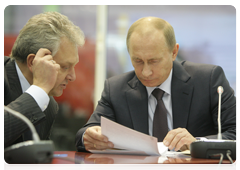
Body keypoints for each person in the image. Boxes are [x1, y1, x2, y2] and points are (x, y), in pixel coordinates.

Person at [75, 17, 238, 152]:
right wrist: (90, 136)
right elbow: (86, 133)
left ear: (174, 52)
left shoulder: (208, 80)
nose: (146, 72)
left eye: (154, 61)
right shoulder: (116, 88)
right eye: (138, 61)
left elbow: (236, 133)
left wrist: (197, 143)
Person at [4, 11, 85, 148]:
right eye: (64, 67)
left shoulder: (48, 105)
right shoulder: (39, 97)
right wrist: (39, 91)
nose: (73, 77)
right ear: (32, 62)